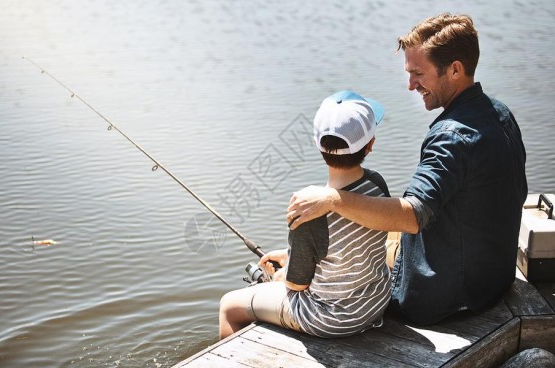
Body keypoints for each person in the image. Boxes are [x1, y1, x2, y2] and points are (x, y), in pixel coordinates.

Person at [286, 13, 527, 325]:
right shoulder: (499, 113)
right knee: (374, 242)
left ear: (455, 69)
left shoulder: (451, 137)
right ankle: (293, 260)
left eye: (418, 74)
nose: (411, 85)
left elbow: (412, 217)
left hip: (443, 298)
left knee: (309, 271)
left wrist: (331, 199)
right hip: (492, 279)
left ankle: (289, 270)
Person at [219, 90, 392, 339]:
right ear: (371, 144)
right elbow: (347, 247)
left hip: (331, 319)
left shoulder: (307, 211)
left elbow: (297, 285)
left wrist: (281, 275)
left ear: (318, 145)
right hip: (375, 303)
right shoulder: (376, 185)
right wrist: (290, 254)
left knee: (229, 306)